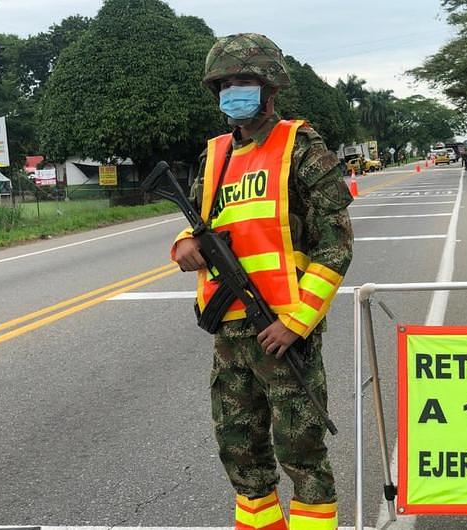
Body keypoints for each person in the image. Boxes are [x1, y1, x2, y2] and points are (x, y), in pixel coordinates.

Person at [170, 33, 353, 530]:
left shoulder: (301, 147)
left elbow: (336, 243)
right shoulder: (214, 155)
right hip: (228, 329)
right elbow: (207, 219)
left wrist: (296, 323)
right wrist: (185, 241)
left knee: (303, 454)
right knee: (240, 454)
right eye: (225, 83)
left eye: (244, 81)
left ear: (270, 86)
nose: (234, 91)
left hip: (281, 332)